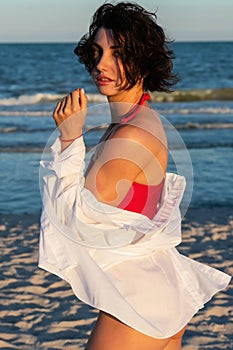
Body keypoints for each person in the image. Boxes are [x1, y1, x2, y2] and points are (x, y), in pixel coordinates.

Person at [39, 2, 231, 350]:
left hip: (138, 307)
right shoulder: (141, 119)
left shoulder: (131, 136)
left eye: (118, 53)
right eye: (97, 52)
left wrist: (69, 140)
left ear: (143, 60)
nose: (101, 64)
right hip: (155, 293)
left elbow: (74, 221)